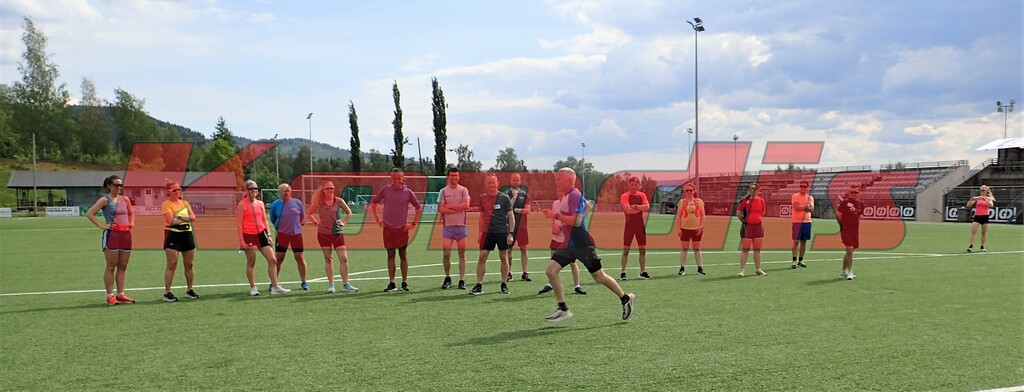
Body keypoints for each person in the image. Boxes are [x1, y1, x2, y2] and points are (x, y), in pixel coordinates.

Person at [541, 168, 635, 323]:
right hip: (568, 244)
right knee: (551, 271)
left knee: (599, 276)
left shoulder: (574, 195)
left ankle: (625, 298)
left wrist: (556, 216)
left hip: (581, 243)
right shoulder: (569, 195)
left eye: (559, 178)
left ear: (569, 179)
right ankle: (563, 308)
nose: (556, 181)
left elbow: (577, 222)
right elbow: (589, 206)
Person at [85, 175, 136, 305]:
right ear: (109, 186)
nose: (119, 187)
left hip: (126, 235)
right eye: (116, 185)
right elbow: (90, 213)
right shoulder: (105, 200)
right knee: (111, 266)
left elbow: (131, 213)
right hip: (112, 235)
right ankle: (110, 295)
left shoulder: (125, 199)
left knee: (123, 266)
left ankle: (121, 294)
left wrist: (131, 223)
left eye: (120, 185)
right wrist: (103, 225)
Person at [370, 168, 423, 292]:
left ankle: (404, 282)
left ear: (403, 178)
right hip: (388, 228)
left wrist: (413, 224)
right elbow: (374, 203)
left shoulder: (408, 192)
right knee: (390, 255)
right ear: (391, 178)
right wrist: (378, 219)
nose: (397, 181)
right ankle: (392, 282)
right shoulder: (386, 190)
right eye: (394, 178)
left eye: (399, 178)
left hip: (402, 229)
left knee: (403, 255)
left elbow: (418, 208)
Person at [236, 180, 290, 295]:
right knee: (251, 261)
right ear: (247, 190)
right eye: (252, 189)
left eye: (256, 188)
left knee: (273, 260)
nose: (254, 191)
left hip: (261, 234)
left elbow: (264, 221)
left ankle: (275, 287)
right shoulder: (242, 205)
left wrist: (269, 235)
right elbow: (239, 224)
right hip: (248, 235)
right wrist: (241, 241)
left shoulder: (260, 203)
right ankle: (253, 288)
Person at [307, 181, 358, 293]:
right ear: (323, 191)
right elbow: (309, 213)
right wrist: (316, 222)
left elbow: (349, 212)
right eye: (327, 189)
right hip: (323, 234)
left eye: (332, 188)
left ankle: (346, 284)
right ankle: (331, 285)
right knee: (328, 258)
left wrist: (344, 222)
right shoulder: (319, 202)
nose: (330, 190)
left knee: (343, 258)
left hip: (337, 233)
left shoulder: (339, 201)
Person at [469, 173, 515, 295]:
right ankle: (479, 285)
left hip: (501, 231)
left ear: (497, 183)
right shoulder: (483, 198)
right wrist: (480, 232)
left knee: (503, 257)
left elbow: (511, 216)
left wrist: (511, 233)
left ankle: (504, 284)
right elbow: (482, 216)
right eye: (489, 183)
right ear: (486, 184)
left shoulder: (504, 198)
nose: (491, 185)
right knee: (482, 256)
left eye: (493, 182)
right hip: (487, 232)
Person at [537, 191, 587, 296]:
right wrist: (554, 227)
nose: (560, 193)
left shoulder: (571, 201)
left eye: (562, 192)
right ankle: (551, 284)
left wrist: (564, 227)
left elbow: (584, 209)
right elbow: (553, 219)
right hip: (556, 237)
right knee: (553, 260)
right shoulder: (555, 203)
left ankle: (577, 285)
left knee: (573, 263)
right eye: (558, 192)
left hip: (567, 237)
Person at [160, 180, 199, 302]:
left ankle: (189, 289)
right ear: (168, 192)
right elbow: (171, 221)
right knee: (172, 264)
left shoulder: (185, 203)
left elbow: (193, 217)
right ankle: (167, 292)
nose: (178, 192)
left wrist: (180, 217)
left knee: (189, 264)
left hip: (187, 234)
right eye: (174, 190)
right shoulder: (166, 204)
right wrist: (184, 219)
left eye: (179, 189)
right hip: (173, 235)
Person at [269, 183, 309, 290]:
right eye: (284, 191)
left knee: (299, 258)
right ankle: (273, 282)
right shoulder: (275, 205)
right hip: (282, 235)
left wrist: (295, 226)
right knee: (278, 258)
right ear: (279, 193)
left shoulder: (298, 203)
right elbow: (273, 219)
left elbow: (301, 218)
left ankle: (304, 282)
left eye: (288, 190)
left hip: (296, 235)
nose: (287, 193)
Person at [438, 168, 470, 289]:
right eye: (452, 175)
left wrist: (450, 207)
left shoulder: (463, 190)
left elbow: (466, 205)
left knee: (462, 253)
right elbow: (441, 209)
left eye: (456, 176)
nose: (454, 178)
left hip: (461, 226)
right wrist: (458, 208)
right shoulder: (443, 191)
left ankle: (462, 280)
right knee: (446, 254)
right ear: (448, 177)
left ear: (458, 177)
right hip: (448, 227)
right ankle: (447, 278)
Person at [619, 176, 651, 280]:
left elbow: (647, 207)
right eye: (632, 184)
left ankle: (643, 271)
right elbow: (628, 210)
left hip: (640, 226)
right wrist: (640, 208)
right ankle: (623, 272)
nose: (634, 186)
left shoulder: (642, 195)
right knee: (626, 250)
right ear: (629, 185)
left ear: (639, 186)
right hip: (629, 226)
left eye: (636, 185)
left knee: (642, 250)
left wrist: (636, 207)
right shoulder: (625, 196)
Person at [504, 173, 533, 282]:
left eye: (517, 180)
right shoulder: (506, 194)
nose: (515, 182)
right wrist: (514, 198)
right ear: (510, 180)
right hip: (509, 227)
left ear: (520, 181)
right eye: (513, 180)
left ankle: (525, 273)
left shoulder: (525, 195)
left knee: (524, 249)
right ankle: (508, 273)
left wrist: (516, 210)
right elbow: (505, 210)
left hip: (522, 227)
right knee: (509, 250)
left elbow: (527, 211)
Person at [674, 183, 706, 276]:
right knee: (684, 248)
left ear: (694, 191)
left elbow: (703, 215)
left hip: (696, 229)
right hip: (684, 228)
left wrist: (701, 227)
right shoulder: (682, 202)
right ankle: (682, 268)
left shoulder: (699, 202)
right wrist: (678, 229)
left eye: (690, 190)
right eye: (686, 191)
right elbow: (678, 216)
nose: (688, 192)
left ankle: (700, 268)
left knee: (697, 248)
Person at [737, 183, 767, 277]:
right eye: (751, 188)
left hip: (758, 227)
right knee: (745, 249)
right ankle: (742, 270)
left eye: (754, 189)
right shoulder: (744, 201)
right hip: (748, 227)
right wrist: (744, 221)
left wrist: (757, 220)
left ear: (758, 190)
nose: (752, 190)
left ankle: (758, 269)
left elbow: (762, 212)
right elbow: (739, 213)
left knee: (757, 249)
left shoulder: (761, 201)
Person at [836, 185, 865, 280]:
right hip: (846, 229)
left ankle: (843, 272)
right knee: (849, 249)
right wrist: (843, 225)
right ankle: (850, 271)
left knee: (850, 251)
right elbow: (839, 215)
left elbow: (859, 216)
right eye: (851, 192)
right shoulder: (844, 203)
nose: (853, 194)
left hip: (855, 230)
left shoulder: (861, 204)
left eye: (855, 192)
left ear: (859, 193)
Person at [790, 180, 814, 268]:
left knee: (804, 242)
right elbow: (796, 207)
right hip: (797, 222)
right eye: (801, 186)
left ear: (807, 187)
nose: (802, 188)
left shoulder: (810, 197)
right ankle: (793, 261)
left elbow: (811, 209)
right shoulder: (795, 196)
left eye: (804, 187)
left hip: (807, 221)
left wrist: (802, 207)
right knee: (796, 241)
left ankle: (801, 260)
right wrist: (806, 206)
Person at [966, 185, 996, 253]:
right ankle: (971, 246)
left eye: (983, 190)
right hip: (977, 216)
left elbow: (991, 205)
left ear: (986, 191)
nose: (981, 192)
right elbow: (968, 205)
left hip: (985, 216)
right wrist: (972, 199)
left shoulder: (989, 198)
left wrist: (985, 199)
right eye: (980, 190)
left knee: (983, 233)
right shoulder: (978, 198)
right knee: (974, 231)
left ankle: (982, 246)